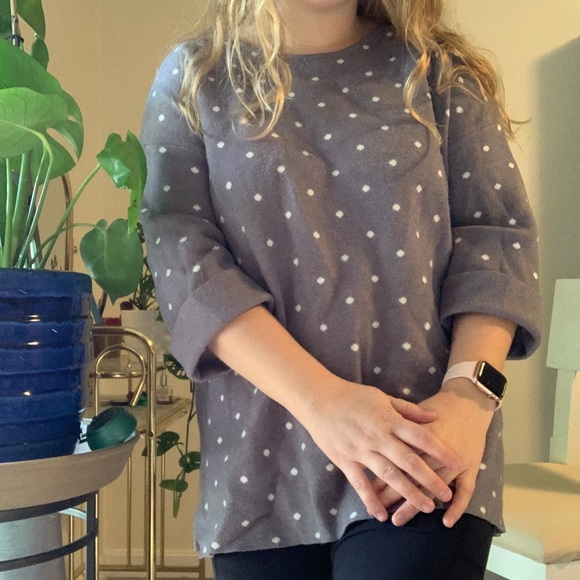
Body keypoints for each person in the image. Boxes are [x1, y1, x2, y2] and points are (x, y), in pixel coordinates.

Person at [140, 0, 541, 578]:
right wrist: (323, 402)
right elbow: (188, 266)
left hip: (422, 450)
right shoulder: (195, 80)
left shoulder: (440, 73)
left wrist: (469, 399)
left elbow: (494, 241)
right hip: (262, 470)